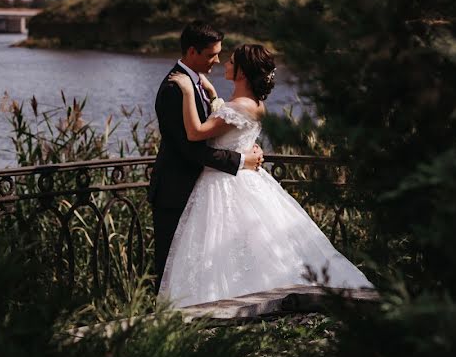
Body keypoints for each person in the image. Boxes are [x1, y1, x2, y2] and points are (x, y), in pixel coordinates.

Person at [158, 43, 373, 308]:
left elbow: (195, 132)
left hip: (223, 183)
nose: (224, 63)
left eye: (231, 61)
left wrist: (188, 90)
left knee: (222, 249)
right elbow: (233, 131)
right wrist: (214, 96)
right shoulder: (256, 105)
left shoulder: (236, 107)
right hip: (246, 178)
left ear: (242, 73)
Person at [148, 21, 265, 292]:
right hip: (175, 192)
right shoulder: (175, 87)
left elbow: (220, 124)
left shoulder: (197, 82)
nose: (217, 60)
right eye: (212, 54)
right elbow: (189, 148)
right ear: (192, 51)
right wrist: (240, 160)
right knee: (171, 269)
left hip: (203, 193)